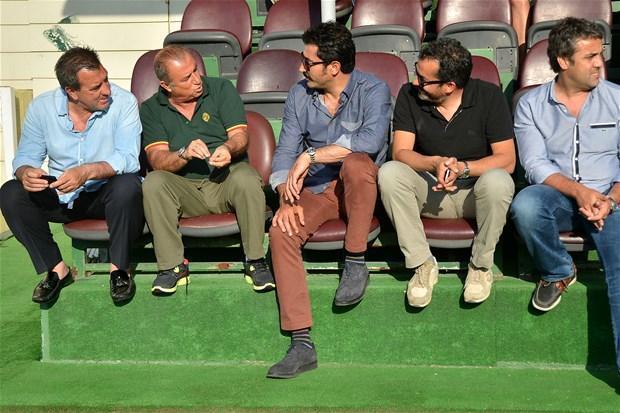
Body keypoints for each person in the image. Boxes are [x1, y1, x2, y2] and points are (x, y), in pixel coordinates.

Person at [266, 22, 391, 379]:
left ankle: (355, 261)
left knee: (356, 163)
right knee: (281, 232)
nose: (301, 68)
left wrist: (312, 156)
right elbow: (285, 152)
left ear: (333, 67)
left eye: (308, 62)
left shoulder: (374, 89)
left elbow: (370, 141)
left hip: (359, 190)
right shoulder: (299, 94)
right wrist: (285, 196)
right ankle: (301, 343)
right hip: (318, 190)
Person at [511, 17, 620, 373]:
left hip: (611, 200)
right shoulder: (530, 104)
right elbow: (535, 165)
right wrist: (580, 192)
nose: (599, 63)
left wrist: (610, 199)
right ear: (563, 61)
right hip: (560, 197)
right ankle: (558, 270)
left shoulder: (617, 99)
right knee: (526, 205)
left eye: (600, 54)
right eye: (589, 56)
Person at [378, 38, 516, 308]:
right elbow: (401, 152)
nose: (416, 82)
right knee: (390, 172)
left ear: (449, 86)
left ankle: (480, 266)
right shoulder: (409, 95)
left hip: (475, 195)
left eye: (424, 80)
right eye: (417, 74)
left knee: (499, 180)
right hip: (430, 192)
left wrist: (463, 168)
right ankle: (422, 264)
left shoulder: (489, 96)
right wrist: (434, 163)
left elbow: (507, 159)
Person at [0, 47, 144, 305]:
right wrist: (26, 173)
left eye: (106, 80)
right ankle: (56, 269)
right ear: (72, 91)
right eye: (96, 87)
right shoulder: (42, 107)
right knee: (11, 192)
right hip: (61, 193)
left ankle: (119, 270)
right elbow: (25, 158)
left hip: (105, 195)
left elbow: (129, 158)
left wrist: (86, 171)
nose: (106, 90)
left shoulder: (124, 103)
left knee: (128, 185)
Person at [140, 45, 273, 295]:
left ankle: (255, 261)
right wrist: (184, 153)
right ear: (167, 86)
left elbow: (240, 136)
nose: (196, 79)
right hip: (184, 190)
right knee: (154, 182)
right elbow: (157, 159)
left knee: (246, 176)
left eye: (195, 70)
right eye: (186, 78)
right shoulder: (151, 109)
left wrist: (228, 147)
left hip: (225, 182)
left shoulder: (221, 89)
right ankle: (171, 267)